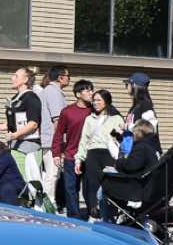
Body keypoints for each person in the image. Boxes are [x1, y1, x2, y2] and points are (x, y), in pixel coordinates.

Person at [76, 88, 124, 221]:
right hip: (92, 154)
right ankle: (93, 214)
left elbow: (122, 140)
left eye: (99, 100)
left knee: (109, 185)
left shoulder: (116, 118)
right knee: (92, 185)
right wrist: (79, 159)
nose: (95, 103)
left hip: (109, 154)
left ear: (106, 102)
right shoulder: (89, 119)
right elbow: (84, 140)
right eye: (94, 100)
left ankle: (110, 215)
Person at [50, 79, 94, 217]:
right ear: (78, 94)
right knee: (71, 188)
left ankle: (93, 215)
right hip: (71, 155)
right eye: (87, 90)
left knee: (89, 189)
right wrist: (56, 153)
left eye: (92, 90)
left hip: (90, 156)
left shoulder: (96, 110)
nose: (91, 93)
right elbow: (58, 133)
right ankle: (74, 217)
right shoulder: (67, 112)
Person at [3, 67, 43, 190]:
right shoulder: (16, 98)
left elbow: (33, 124)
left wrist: (15, 135)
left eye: (16, 76)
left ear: (25, 79)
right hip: (16, 146)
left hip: (29, 146)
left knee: (31, 182)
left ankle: (35, 202)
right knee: (19, 181)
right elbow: (15, 123)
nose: (12, 78)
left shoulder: (31, 97)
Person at [37, 65, 70, 203]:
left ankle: (46, 203)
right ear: (60, 77)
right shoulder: (53, 92)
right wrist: (61, 143)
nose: (69, 79)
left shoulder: (49, 91)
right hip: (53, 141)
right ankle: (48, 205)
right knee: (52, 174)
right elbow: (58, 121)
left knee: (50, 174)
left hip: (49, 140)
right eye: (68, 76)